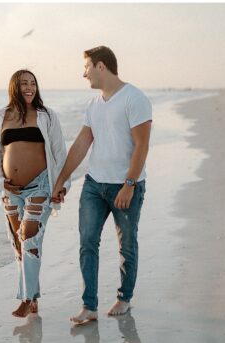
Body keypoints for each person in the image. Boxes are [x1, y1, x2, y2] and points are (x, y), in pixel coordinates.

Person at [51, 46, 152, 323]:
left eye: (86, 67)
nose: (83, 73)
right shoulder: (93, 105)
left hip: (125, 185)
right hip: (94, 185)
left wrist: (129, 184)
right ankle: (89, 306)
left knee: (127, 245)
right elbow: (82, 145)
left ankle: (124, 298)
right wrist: (61, 179)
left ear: (101, 66)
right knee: (87, 243)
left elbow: (142, 145)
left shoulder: (135, 98)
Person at [0, 69, 68, 318]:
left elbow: (59, 151)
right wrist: (1, 181)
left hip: (40, 185)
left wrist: (61, 185)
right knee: (18, 244)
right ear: (14, 87)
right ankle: (33, 297)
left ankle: (25, 298)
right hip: (10, 190)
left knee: (30, 238)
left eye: (33, 83)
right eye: (24, 83)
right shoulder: (1, 117)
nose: (29, 88)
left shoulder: (47, 116)